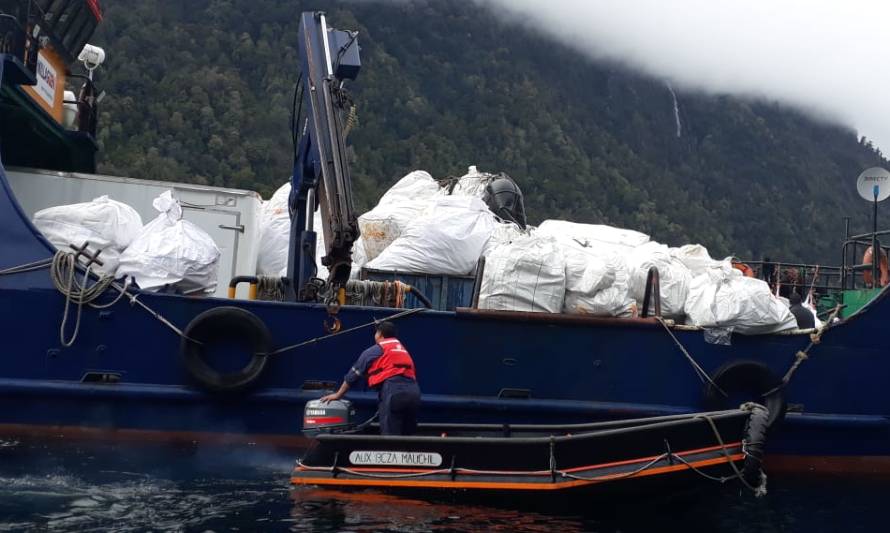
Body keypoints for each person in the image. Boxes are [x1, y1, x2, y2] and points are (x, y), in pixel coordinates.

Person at [320, 321, 421, 435]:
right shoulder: (402, 350)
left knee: (391, 436)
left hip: (393, 391)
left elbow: (353, 375)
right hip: (414, 393)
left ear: (380, 334)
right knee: (408, 434)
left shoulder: (375, 350)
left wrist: (338, 395)